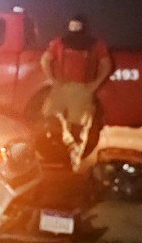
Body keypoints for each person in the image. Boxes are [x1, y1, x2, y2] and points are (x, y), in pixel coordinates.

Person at [40, 14, 112, 164]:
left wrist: (96, 84)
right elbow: (45, 60)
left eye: (77, 26)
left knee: (79, 128)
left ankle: (75, 158)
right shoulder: (59, 42)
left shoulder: (96, 45)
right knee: (50, 116)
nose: (74, 29)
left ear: (84, 27)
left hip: (82, 90)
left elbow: (106, 64)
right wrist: (52, 79)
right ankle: (67, 146)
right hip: (61, 88)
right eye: (72, 25)